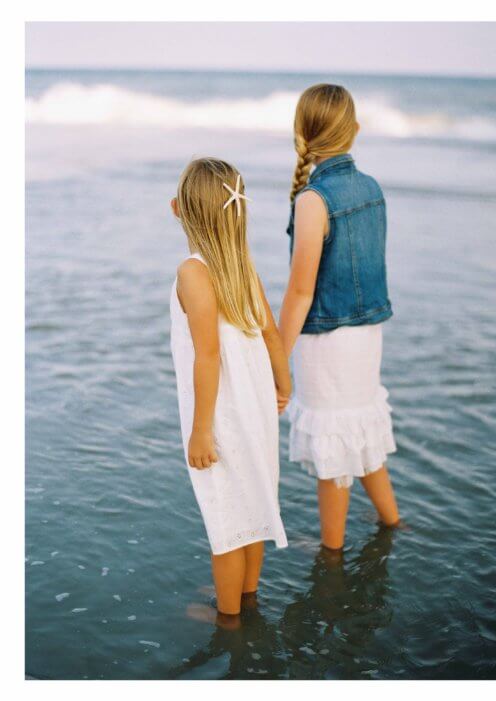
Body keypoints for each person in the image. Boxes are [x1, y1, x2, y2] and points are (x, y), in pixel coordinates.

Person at [278, 84, 401, 551]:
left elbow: (300, 290)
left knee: (334, 448)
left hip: (327, 341)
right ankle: (392, 523)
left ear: (301, 133)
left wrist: (276, 357)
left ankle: (332, 555)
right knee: (359, 427)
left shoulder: (313, 200)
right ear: (354, 130)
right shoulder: (371, 188)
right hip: (367, 336)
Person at [169, 157, 290, 620]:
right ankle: (248, 595)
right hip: (256, 407)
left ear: (179, 209)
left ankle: (228, 620)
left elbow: (208, 354)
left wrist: (201, 431)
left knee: (225, 519)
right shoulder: (242, 266)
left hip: (221, 414)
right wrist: (284, 384)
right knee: (254, 500)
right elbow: (270, 332)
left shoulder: (193, 273)